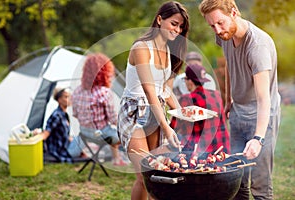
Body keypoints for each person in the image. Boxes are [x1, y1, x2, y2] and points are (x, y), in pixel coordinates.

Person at [199, 0, 281, 199]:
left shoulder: (257, 47)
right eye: (212, 25)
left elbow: (264, 99)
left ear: (234, 12)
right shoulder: (225, 35)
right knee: (236, 181)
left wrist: (258, 138)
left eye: (220, 23)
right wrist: (228, 99)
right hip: (238, 113)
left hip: (262, 118)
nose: (217, 30)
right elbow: (228, 62)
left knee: (260, 187)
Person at [117, 1, 189, 199]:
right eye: (174, 23)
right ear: (159, 19)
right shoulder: (141, 48)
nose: (178, 30)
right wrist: (167, 126)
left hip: (156, 111)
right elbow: (150, 92)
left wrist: (183, 113)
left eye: (180, 26)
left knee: (156, 174)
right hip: (135, 111)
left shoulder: (168, 52)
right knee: (143, 174)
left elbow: (164, 89)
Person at [71, 53, 127, 166]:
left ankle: (112, 156)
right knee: (123, 136)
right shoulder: (104, 92)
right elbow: (113, 119)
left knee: (109, 132)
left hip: (84, 133)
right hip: (101, 134)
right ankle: (117, 159)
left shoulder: (77, 91)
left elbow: (75, 114)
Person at [170, 63, 230, 154]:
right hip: (222, 149)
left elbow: (174, 127)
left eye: (185, 79)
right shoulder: (216, 95)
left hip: (199, 154)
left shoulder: (186, 99)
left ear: (190, 81)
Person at [33, 86, 85, 163]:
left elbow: (67, 136)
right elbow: (46, 134)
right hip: (62, 151)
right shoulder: (56, 115)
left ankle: (83, 153)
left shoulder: (64, 114)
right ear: (59, 100)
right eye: (66, 97)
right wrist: (36, 135)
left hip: (67, 146)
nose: (70, 99)